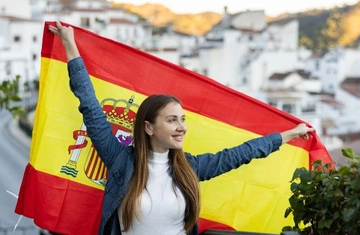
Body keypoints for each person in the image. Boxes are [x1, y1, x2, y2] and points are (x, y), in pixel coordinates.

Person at [48, 21, 315, 235]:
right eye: (172, 120)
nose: (181, 127)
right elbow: (91, 107)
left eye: (183, 119)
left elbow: (241, 154)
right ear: (149, 128)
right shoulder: (121, 161)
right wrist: (70, 45)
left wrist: (288, 135)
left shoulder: (189, 167)